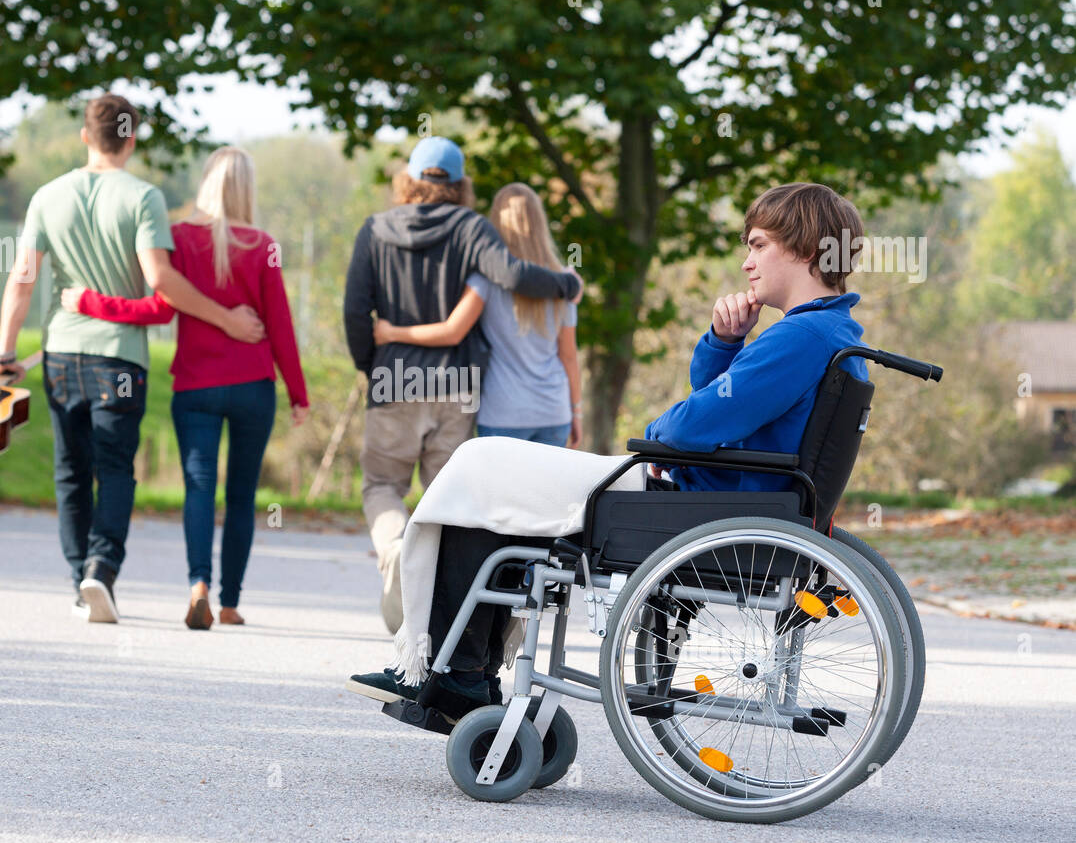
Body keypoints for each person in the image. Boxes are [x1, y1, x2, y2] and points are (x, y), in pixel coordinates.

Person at [347, 182, 870, 714]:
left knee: (479, 465)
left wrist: (659, 431)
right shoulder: (832, 332)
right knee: (486, 481)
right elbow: (717, 403)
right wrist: (723, 341)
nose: (747, 262)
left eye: (758, 245)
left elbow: (691, 427)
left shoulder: (799, 338)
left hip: (690, 504)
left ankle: (448, 673)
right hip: (720, 500)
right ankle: (462, 675)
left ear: (806, 249)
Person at [0, 94, 266, 625]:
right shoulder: (143, 198)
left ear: (85, 137)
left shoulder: (49, 196)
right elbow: (161, 282)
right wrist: (228, 319)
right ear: (131, 138)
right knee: (114, 467)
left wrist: (6, 352)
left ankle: (80, 582)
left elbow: (22, 280)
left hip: (62, 357)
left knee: (70, 470)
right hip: (118, 364)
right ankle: (102, 567)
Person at [61, 146, 308, 630]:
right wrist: (298, 393)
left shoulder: (177, 238)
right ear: (246, 190)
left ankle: (198, 585)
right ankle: (231, 601)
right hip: (253, 386)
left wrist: (88, 301)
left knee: (198, 487)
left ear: (206, 185)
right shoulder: (264, 245)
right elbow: (280, 326)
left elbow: (159, 305)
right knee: (241, 495)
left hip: (195, 387)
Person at [344, 137, 584, 633]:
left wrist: (374, 366)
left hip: (395, 376)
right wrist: (567, 284)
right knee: (448, 499)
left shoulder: (374, 229)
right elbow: (514, 274)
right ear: (459, 184)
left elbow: (354, 310)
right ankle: (462, 612)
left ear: (408, 180)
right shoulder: (472, 227)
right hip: (456, 385)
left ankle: (393, 550)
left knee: (384, 485)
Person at [372, 182, 582, 448]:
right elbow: (569, 356)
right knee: (546, 492)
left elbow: (452, 331)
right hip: (554, 413)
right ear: (540, 223)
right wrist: (576, 411)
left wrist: (391, 332)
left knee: (501, 491)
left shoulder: (485, 280)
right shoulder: (565, 283)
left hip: (503, 414)